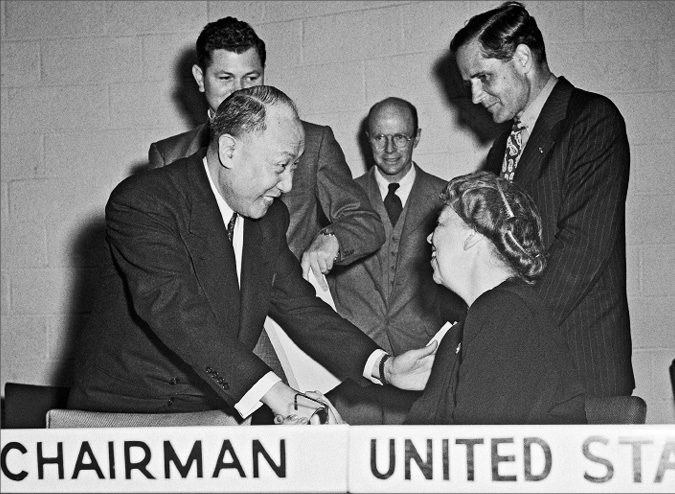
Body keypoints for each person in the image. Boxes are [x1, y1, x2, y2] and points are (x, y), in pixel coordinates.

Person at [67, 86, 436, 424]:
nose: (288, 184)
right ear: (229, 150)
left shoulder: (268, 216)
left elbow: (299, 307)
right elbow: (176, 309)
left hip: (212, 407)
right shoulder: (146, 200)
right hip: (124, 411)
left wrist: (383, 366)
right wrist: (279, 395)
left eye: (294, 166)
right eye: (280, 165)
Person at [450, 1, 633, 397]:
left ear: (521, 58)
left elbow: (582, 249)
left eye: (484, 77)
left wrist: (503, 335)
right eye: (470, 84)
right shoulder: (502, 148)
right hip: (523, 363)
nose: (477, 96)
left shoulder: (593, 119)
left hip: (581, 361)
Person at [149, 16, 383, 288]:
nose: (240, 91)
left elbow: (365, 221)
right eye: (225, 78)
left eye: (251, 77)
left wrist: (333, 239)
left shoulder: (313, 141)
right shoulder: (169, 156)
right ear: (200, 78)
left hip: (290, 313)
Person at [404, 171, 587, 424]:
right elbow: (415, 443)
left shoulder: (507, 314)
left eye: (441, 223)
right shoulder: (458, 335)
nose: (429, 237)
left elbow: (473, 450)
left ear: (473, 234)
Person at [329, 97, 465, 356]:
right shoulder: (338, 196)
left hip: (424, 355)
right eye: (380, 137)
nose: (389, 149)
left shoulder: (447, 198)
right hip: (354, 355)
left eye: (400, 137)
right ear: (367, 138)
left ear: (417, 137)